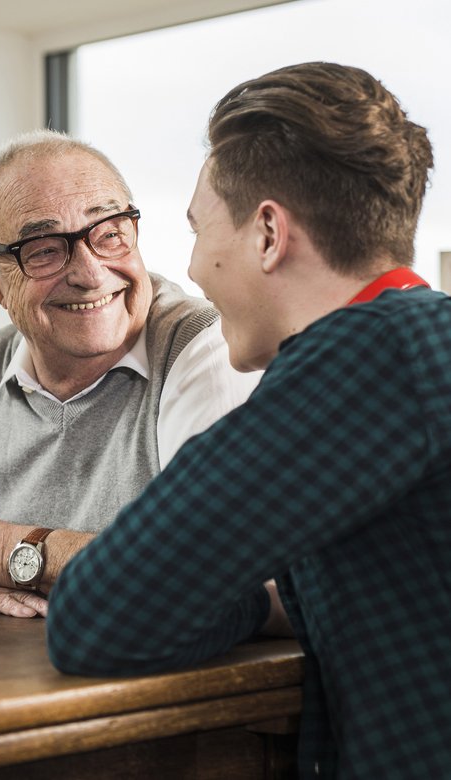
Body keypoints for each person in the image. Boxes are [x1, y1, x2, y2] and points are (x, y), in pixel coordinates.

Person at [47, 62, 450, 778]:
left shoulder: (367, 354)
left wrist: (229, 596)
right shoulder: (422, 343)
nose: (195, 268)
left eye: (200, 230)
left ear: (268, 232)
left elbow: (97, 618)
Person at [0, 130, 259, 617]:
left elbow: (205, 571)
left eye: (110, 233)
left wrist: (0, 552)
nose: (91, 272)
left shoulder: (204, 347)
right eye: (43, 250)